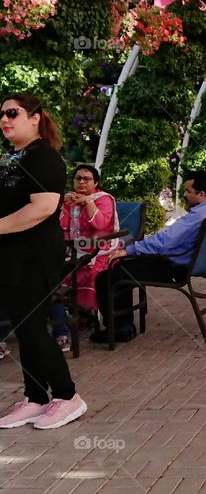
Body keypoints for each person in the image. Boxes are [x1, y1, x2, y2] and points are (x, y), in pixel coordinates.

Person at [0, 93, 86, 430]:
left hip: (34, 254)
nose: (5, 119)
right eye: (1, 115)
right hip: (11, 253)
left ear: (35, 117)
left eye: (12, 113)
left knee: (33, 328)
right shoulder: (13, 157)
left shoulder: (44, 158)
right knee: (24, 327)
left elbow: (43, 208)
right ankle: (36, 397)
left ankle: (67, 396)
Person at [93, 171, 206, 343]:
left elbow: (164, 242)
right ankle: (124, 325)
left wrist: (129, 250)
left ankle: (117, 328)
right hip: (194, 264)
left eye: (188, 191)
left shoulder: (196, 217)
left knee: (107, 275)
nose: (184, 195)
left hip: (174, 267)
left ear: (202, 194)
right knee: (122, 267)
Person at [50, 164, 120, 349]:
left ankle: (88, 315)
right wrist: (64, 206)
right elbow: (62, 227)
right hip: (75, 249)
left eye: (86, 179)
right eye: (78, 178)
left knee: (90, 274)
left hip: (103, 251)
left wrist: (89, 203)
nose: (81, 182)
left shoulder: (103, 199)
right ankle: (70, 315)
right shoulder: (71, 200)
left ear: (95, 183)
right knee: (55, 272)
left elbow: (101, 225)